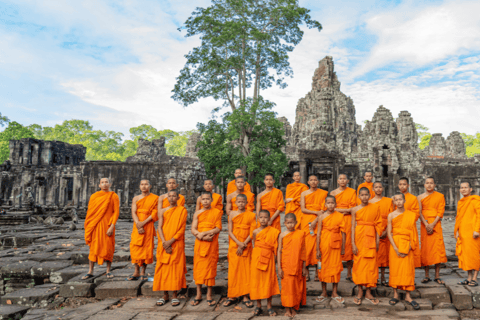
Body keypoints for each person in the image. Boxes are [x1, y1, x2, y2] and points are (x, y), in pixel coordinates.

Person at [153, 189, 188, 307]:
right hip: (163, 243)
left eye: (174, 196)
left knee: (175, 268)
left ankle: (174, 295)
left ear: (178, 198)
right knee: (163, 268)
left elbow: (181, 229)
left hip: (175, 242)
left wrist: (171, 242)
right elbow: (159, 228)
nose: (171, 198)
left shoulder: (182, 210)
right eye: (170, 196)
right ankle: (165, 295)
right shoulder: (162, 211)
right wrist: (164, 243)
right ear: (167, 198)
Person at [387, 194, 420, 310]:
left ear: (404, 201)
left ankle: (407, 295)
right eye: (396, 200)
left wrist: (410, 246)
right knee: (395, 269)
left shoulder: (411, 215)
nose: (398, 202)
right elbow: (389, 233)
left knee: (407, 269)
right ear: (394, 202)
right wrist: (395, 248)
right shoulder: (391, 215)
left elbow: (414, 232)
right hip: (395, 244)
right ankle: (395, 294)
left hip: (407, 244)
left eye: (400, 199)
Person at [82, 178, 119, 280]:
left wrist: (112, 225)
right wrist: (90, 225)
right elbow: (90, 212)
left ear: (110, 184)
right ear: (99, 185)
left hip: (107, 225)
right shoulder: (94, 196)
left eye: (106, 182)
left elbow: (116, 212)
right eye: (102, 182)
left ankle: (108, 271)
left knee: (108, 247)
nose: (104, 184)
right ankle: (90, 271)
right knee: (93, 247)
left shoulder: (113, 196)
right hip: (95, 225)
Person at [223, 194, 256, 308]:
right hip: (234, 245)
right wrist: (238, 243)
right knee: (234, 270)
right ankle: (232, 295)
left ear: (246, 203)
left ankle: (245, 295)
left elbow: (252, 232)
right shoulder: (231, 214)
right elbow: (230, 231)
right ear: (235, 203)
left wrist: (243, 244)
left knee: (246, 270)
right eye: (239, 202)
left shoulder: (251, 215)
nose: (241, 204)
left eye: (243, 202)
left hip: (246, 245)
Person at [191, 191, 223, 306]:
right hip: (200, 243)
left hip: (211, 242)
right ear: (200, 201)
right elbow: (193, 228)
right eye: (203, 199)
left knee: (210, 267)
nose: (205, 201)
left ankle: (209, 294)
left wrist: (204, 233)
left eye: (207, 199)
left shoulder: (216, 212)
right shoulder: (197, 213)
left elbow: (218, 227)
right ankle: (198, 294)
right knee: (198, 268)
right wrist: (198, 234)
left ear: (211, 200)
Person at [352, 187, 382, 306]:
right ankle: (360, 291)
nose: (364, 197)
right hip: (359, 238)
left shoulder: (375, 207)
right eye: (362, 195)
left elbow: (378, 226)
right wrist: (353, 244)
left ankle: (368, 292)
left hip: (371, 238)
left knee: (371, 265)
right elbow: (352, 227)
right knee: (359, 265)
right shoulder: (354, 209)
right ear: (359, 196)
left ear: (370, 195)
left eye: (366, 195)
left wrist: (378, 241)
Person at [316, 195, 345, 304]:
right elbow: (318, 233)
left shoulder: (340, 216)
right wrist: (317, 249)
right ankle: (323, 292)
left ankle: (334, 292)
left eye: (332, 203)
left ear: (336, 204)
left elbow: (343, 232)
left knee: (336, 267)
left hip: (336, 244)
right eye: (328, 203)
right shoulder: (321, 217)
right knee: (322, 267)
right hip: (324, 244)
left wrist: (343, 247)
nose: (330, 205)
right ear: (325, 204)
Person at [251, 210, 281, 317]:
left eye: (265, 218)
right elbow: (255, 244)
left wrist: (277, 258)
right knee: (257, 281)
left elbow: (276, 246)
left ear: (269, 219)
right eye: (261, 217)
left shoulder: (274, 231)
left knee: (268, 281)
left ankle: (269, 306)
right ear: (258, 219)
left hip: (269, 258)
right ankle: (258, 305)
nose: (263, 219)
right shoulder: (255, 232)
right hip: (257, 257)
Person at [128, 179, 159, 281]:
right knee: (135, 247)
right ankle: (136, 271)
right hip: (137, 225)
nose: (144, 186)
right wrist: (138, 224)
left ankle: (143, 272)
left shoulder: (155, 198)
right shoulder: (136, 198)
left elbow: (155, 213)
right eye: (142, 184)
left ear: (150, 186)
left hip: (148, 224)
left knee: (146, 248)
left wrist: (143, 223)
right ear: (139, 186)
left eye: (146, 184)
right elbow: (133, 211)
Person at [418, 177, 447, 284]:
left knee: (437, 249)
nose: (429, 185)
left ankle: (437, 275)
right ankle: (426, 275)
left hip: (436, 223)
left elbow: (440, 211)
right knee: (426, 249)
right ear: (424, 185)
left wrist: (433, 224)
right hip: (424, 224)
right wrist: (426, 224)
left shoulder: (440, 196)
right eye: (427, 183)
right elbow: (419, 212)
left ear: (435, 185)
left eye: (431, 183)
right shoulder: (420, 197)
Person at [278, 213, 307, 318]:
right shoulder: (282, 235)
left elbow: (303, 250)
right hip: (286, 265)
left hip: (298, 264)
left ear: (296, 222)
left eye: (292, 223)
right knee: (287, 288)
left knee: (296, 287)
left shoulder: (301, 233)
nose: (290, 225)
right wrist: (279, 268)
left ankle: (295, 307)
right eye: (288, 223)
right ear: (285, 223)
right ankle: (287, 309)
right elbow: (279, 252)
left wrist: (304, 267)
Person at [300, 174, 328, 282]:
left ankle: (318, 273)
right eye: (311, 180)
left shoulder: (323, 193)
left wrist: (317, 218)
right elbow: (303, 209)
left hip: (320, 220)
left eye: (315, 180)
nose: (313, 182)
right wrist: (315, 212)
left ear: (318, 182)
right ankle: (306, 273)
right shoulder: (304, 193)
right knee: (306, 248)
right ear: (308, 182)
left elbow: (324, 208)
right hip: (306, 220)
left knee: (318, 246)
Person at [330, 173, 357, 282]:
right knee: (336, 243)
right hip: (335, 220)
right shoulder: (333, 193)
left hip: (348, 220)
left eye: (344, 179)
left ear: (347, 181)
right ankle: (335, 271)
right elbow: (330, 207)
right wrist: (343, 210)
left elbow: (352, 208)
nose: (342, 180)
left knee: (349, 245)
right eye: (340, 179)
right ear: (337, 181)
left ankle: (349, 272)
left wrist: (338, 210)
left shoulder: (351, 192)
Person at [455, 181, 480, 286]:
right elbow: (458, 218)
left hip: (472, 232)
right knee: (465, 255)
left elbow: (479, 215)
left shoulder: (475, 200)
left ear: (470, 189)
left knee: (474, 255)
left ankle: (475, 278)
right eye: (462, 187)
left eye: (466, 187)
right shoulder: (461, 202)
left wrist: (477, 230)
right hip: (463, 232)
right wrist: (456, 230)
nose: (463, 189)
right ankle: (469, 278)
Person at [369, 181, 394, 286]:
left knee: (384, 255)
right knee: (374, 254)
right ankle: (375, 276)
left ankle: (383, 276)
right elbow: (369, 218)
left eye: (380, 187)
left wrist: (387, 230)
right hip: (373, 229)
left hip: (385, 229)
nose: (378, 189)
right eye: (376, 187)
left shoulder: (389, 201)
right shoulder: (369, 202)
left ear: (382, 189)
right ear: (373, 189)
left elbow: (391, 216)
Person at [395, 177, 421, 268]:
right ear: (398, 186)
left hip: (409, 228)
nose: (402, 186)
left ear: (408, 185)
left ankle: (409, 275)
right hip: (397, 229)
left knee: (410, 251)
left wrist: (405, 221)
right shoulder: (395, 198)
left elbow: (416, 214)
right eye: (400, 184)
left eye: (404, 184)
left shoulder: (413, 198)